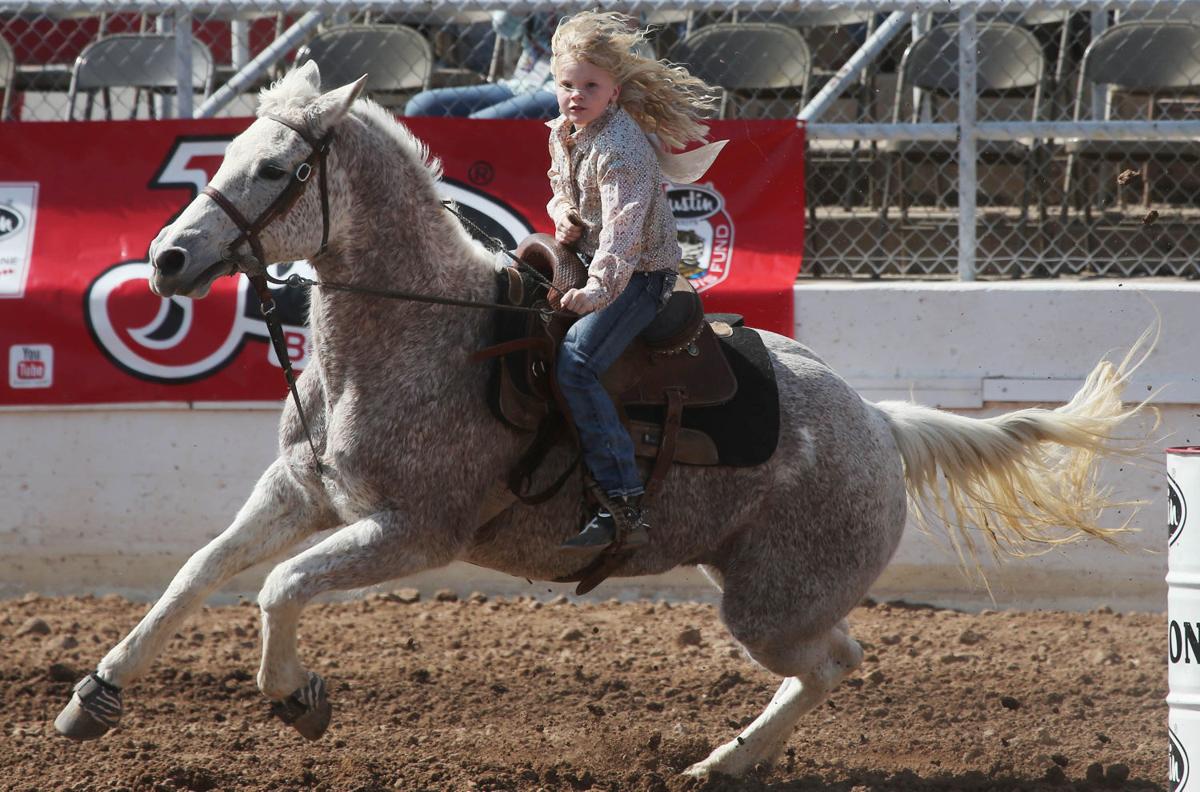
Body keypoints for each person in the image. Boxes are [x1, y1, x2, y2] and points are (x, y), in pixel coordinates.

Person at [548, 11, 726, 553]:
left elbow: (624, 234)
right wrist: (562, 216)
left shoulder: (621, 149)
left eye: (590, 86)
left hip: (641, 276)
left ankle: (624, 500)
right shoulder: (565, 132)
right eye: (566, 84)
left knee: (577, 362)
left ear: (615, 91)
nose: (575, 95)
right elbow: (559, 191)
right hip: (588, 256)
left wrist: (596, 292)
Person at [404, 12, 560, 120]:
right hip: (523, 82)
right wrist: (518, 8)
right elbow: (507, 30)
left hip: (560, 88)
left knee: (477, 124)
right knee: (420, 107)